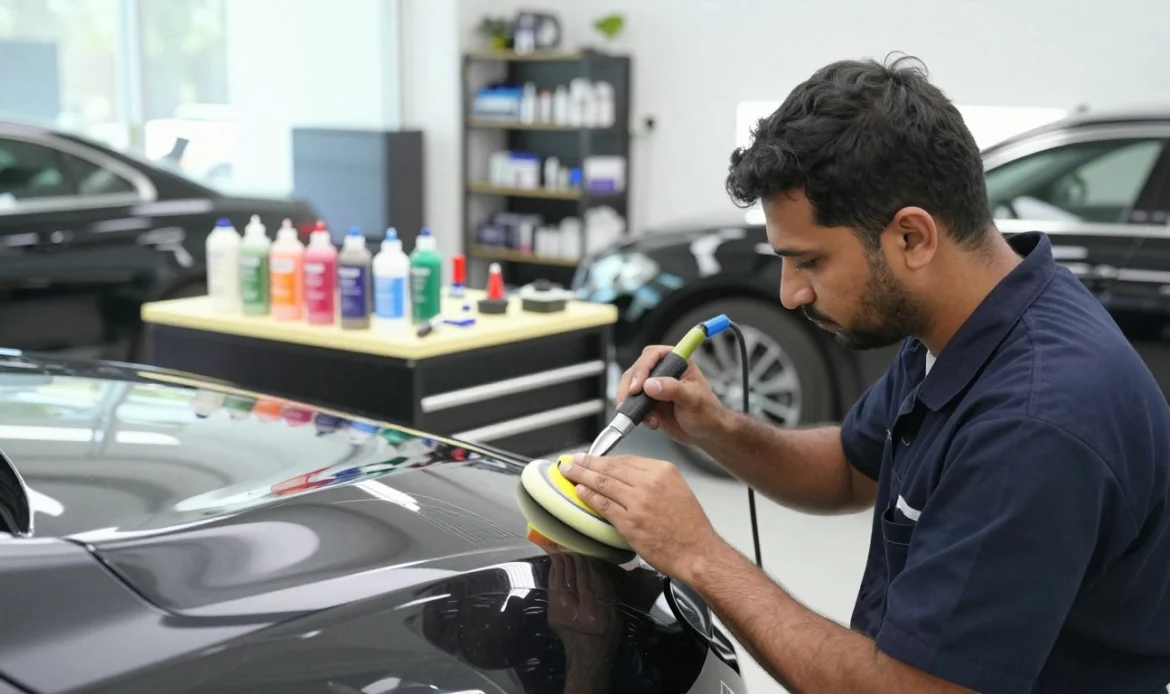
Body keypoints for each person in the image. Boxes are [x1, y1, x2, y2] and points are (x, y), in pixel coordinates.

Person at [558, 55, 1170, 693]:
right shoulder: (964, 320)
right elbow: (852, 468)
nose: (790, 293)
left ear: (912, 237)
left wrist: (697, 554)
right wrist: (717, 428)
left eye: (809, 262)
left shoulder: (1033, 424)